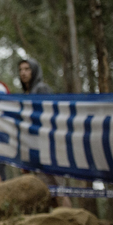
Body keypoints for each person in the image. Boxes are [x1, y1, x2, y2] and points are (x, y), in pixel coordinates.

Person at [18, 57, 71, 206]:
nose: (23, 73)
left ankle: (70, 220)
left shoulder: (41, 89)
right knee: (46, 188)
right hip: (35, 147)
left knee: (58, 187)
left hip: (50, 146)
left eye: (27, 69)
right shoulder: (26, 94)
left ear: (34, 70)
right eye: (21, 70)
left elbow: (52, 116)